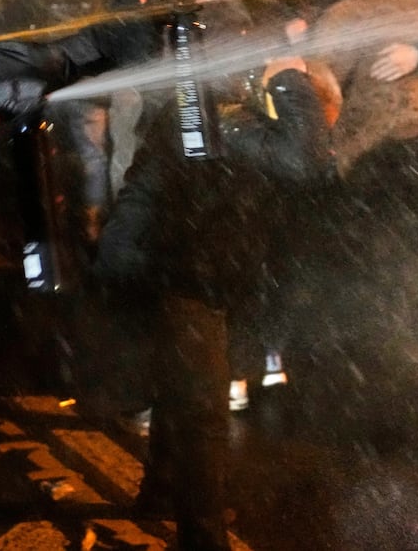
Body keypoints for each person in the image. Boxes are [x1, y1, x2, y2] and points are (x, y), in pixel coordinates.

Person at [93, 56, 332, 551]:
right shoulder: (227, 118)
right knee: (204, 411)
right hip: (183, 270)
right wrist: (288, 79)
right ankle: (203, 541)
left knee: (180, 383)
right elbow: (302, 161)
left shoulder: (204, 108)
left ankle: (160, 492)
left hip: (177, 264)